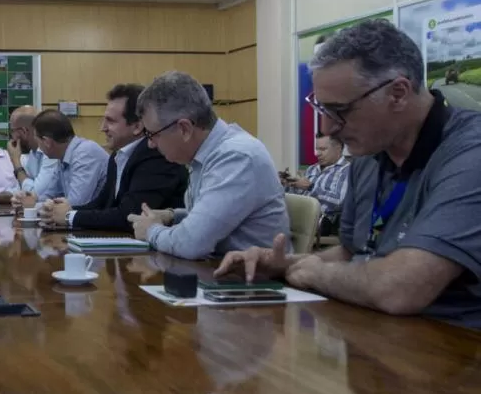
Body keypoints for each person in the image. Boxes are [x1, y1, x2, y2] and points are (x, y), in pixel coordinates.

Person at [217, 19, 481, 327]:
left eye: (340, 111)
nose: (328, 128)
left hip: (454, 344)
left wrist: (317, 273)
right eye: (322, 110)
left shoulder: (469, 155)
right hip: (375, 332)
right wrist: (283, 264)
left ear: (398, 93)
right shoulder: (369, 152)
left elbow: (401, 289)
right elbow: (353, 252)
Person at [128, 71, 290, 260]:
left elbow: (191, 243)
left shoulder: (236, 157)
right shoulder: (207, 154)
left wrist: (151, 231)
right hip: (220, 270)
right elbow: (214, 216)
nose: (150, 144)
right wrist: (171, 216)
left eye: (152, 134)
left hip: (252, 276)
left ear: (184, 129)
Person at [40, 83, 189, 231]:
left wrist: (70, 216)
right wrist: (65, 211)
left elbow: (130, 216)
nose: (103, 128)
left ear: (137, 126)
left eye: (110, 121)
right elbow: (103, 204)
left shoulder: (155, 155)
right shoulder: (117, 156)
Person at [29, 109, 109, 208]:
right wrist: (30, 201)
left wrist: (34, 207)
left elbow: (75, 205)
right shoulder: (63, 157)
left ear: (47, 142)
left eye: (38, 142)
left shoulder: (85, 153)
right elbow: (49, 195)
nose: (39, 148)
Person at [283, 132, 349, 235]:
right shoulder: (312, 169)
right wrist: (288, 184)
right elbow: (298, 196)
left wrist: (311, 187)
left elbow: (339, 202)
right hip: (299, 214)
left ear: (338, 148)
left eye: (323, 149)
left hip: (323, 221)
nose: (317, 153)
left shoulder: (347, 170)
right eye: (317, 149)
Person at [7, 105, 61, 205]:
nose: (12, 137)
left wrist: (16, 162)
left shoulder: (51, 153)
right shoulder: (33, 153)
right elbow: (21, 189)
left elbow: (35, 195)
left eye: (12, 131)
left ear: (24, 131)